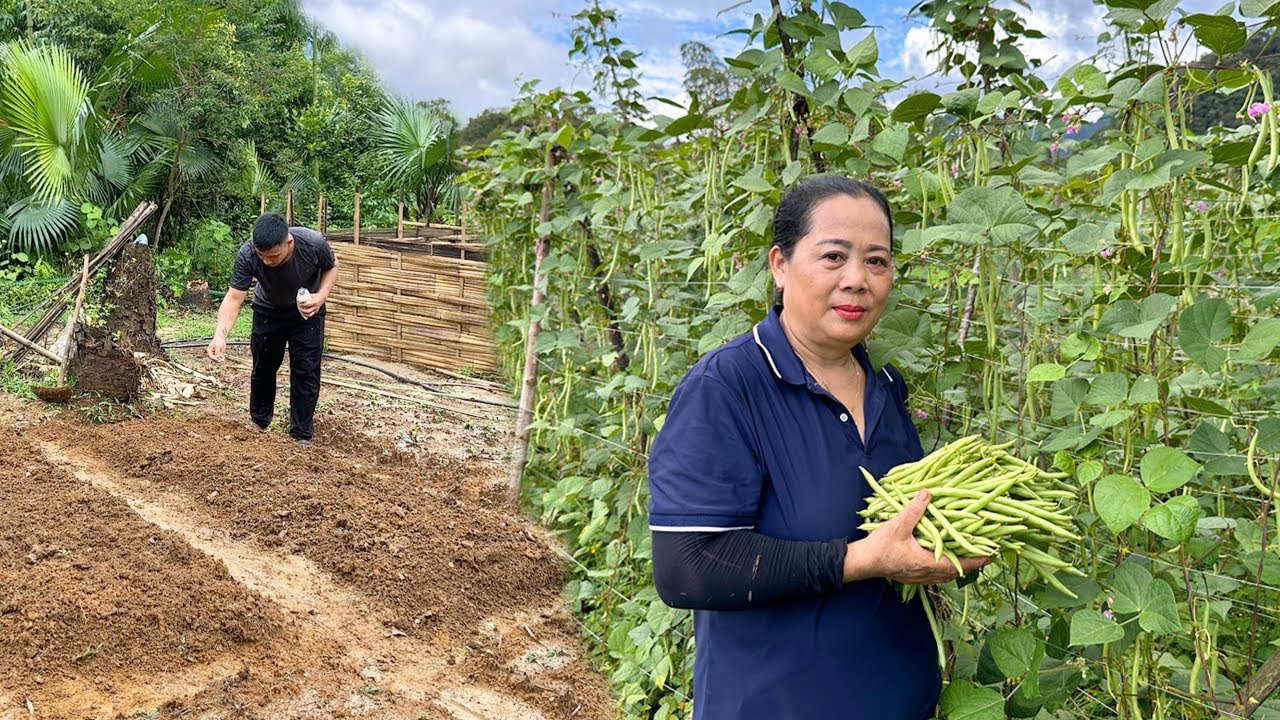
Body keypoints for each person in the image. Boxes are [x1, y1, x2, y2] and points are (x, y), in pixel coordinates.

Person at [647, 177, 990, 719]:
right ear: (780, 265)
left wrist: (967, 537)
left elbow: (910, 527)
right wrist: (861, 560)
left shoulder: (886, 387)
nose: (857, 279)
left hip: (903, 701)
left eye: (877, 262)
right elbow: (687, 568)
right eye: (834, 256)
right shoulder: (727, 387)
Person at [206, 212, 338, 446]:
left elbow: (331, 267)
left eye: (273, 256)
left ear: (288, 243)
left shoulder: (312, 243)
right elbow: (235, 297)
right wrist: (220, 335)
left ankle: (301, 434)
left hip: (307, 313)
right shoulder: (248, 254)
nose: (266, 262)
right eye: (262, 256)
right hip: (268, 311)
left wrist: (320, 297)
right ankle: (259, 422)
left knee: (306, 371)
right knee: (263, 367)